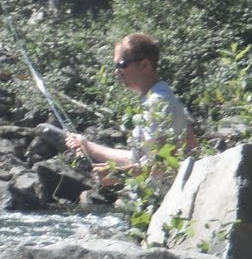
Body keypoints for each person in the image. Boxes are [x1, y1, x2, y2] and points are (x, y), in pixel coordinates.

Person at [65, 32, 197, 172]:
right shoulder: (154, 98)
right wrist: (87, 146)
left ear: (145, 65)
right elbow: (138, 159)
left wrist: (118, 174)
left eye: (122, 65)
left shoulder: (160, 103)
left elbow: (166, 163)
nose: (117, 72)